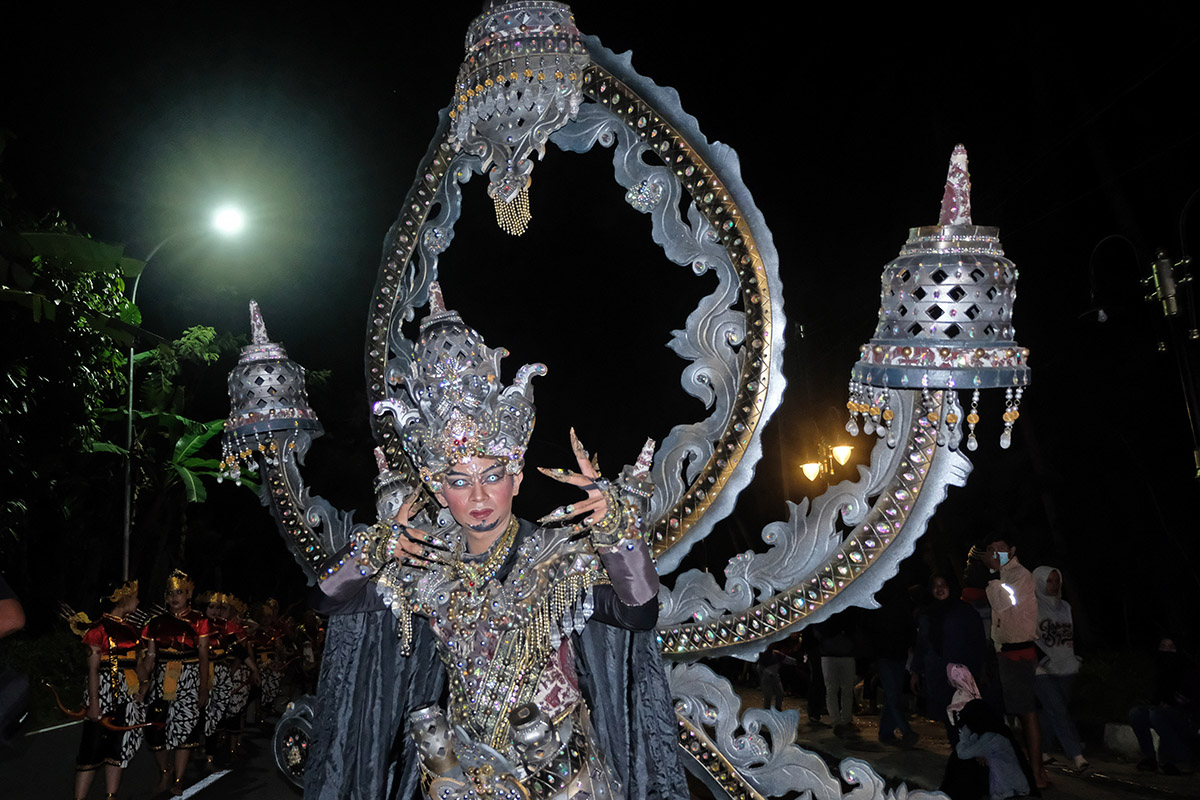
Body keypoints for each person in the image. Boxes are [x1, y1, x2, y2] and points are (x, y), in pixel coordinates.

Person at [304, 285, 686, 799]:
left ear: (518, 479)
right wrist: (370, 550)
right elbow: (326, 599)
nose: (479, 496)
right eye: (459, 481)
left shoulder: (556, 558)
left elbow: (637, 612)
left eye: (493, 475)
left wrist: (618, 532)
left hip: (562, 777)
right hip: (461, 776)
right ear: (439, 488)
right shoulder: (425, 568)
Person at [980, 536, 1047, 789]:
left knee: (1026, 712)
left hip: (1019, 653)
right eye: (990, 550)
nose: (995, 554)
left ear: (1012, 551)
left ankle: (1036, 773)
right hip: (1005, 652)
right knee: (1015, 712)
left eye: (1000, 550)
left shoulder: (1018, 575)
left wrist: (990, 576)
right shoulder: (1003, 576)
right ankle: (1031, 770)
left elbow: (1002, 604)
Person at [72, 580, 146, 800]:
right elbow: (93, 670)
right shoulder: (99, 628)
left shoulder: (132, 629)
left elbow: (137, 665)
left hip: (126, 695)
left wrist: (144, 686)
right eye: (135, 597)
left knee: (117, 748)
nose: (138, 601)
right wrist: (94, 703)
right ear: (125, 599)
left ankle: (111, 796)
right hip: (103, 693)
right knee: (92, 748)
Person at [142, 570, 210, 795]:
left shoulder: (199, 620)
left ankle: (179, 779)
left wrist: (203, 688)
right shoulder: (155, 622)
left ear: (188, 595)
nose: (174, 597)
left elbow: (203, 656)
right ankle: (165, 771)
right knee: (154, 728)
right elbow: (150, 657)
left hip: (189, 677)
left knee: (186, 728)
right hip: (162, 679)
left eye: (179, 592)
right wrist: (142, 683)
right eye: (170, 593)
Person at [912, 574, 988, 743]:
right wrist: (916, 671)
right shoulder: (927, 614)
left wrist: (982, 669)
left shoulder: (965, 612)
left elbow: (978, 642)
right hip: (937, 673)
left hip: (963, 673)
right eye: (935, 586)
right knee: (948, 715)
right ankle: (959, 751)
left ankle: (968, 752)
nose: (939, 589)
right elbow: (922, 645)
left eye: (943, 584)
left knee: (965, 713)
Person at [1031, 566, 1087, 772]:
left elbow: (1074, 633)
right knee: (1059, 709)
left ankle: (1042, 750)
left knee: (1051, 711)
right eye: (1049, 581)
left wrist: (1077, 657)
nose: (1054, 585)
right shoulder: (1032, 607)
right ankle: (1076, 754)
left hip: (1067, 666)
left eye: (1056, 581)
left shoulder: (1065, 607)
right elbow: (1026, 636)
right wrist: (1037, 660)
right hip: (1042, 669)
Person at [1128, 637, 1199, 774]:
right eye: (1163, 647)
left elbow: (1191, 699)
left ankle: (1181, 759)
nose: (1167, 651)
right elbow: (1157, 697)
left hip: (1189, 716)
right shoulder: (1160, 668)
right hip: (1166, 712)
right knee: (1136, 713)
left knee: (1157, 715)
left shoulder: (1189, 669)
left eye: (1171, 647)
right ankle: (1150, 758)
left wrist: (1171, 705)